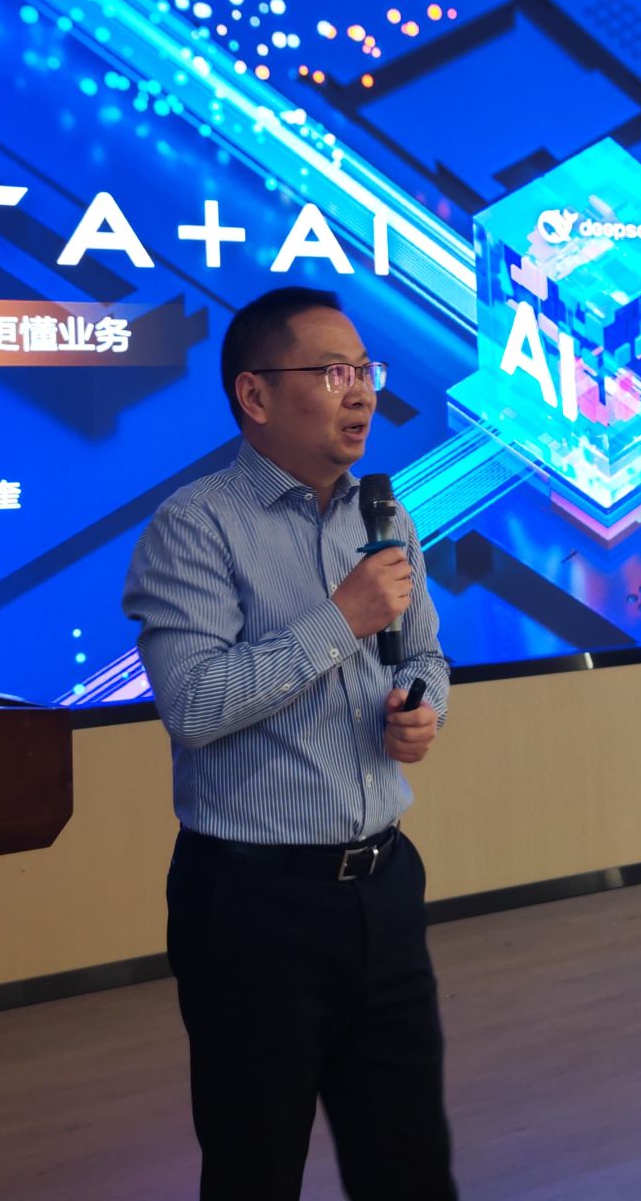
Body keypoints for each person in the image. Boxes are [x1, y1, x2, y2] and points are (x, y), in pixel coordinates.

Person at [123, 285, 457, 1201]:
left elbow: (426, 653)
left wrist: (423, 706)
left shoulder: (384, 516)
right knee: (255, 1167)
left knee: (410, 1166)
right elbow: (195, 703)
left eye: (366, 370)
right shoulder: (195, 527)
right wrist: (340, 618)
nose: (363, 392)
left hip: (385, 886)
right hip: (253, 906)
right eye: (333, 371)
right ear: (256, 395)